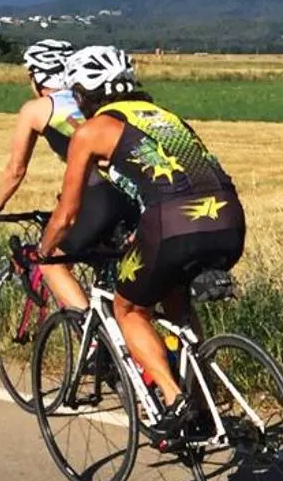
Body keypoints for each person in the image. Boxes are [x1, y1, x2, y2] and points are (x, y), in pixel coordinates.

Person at [42, 45, 246, 439]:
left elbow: (67, 213)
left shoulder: (92, 131)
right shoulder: (165, 118)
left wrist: (44, 251)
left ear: (84, 94)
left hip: (173, 224)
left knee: (130, 309)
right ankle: (203, 402)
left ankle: (175, 400)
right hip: (229, 219)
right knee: (176, 301)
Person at [0, 39, 137, 312]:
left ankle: (87, 330)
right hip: (137, 193)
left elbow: (16, 169)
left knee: (50, 263)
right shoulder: (96, 99)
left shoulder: (37, 109)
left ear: (37, 76)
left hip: (100, 197)